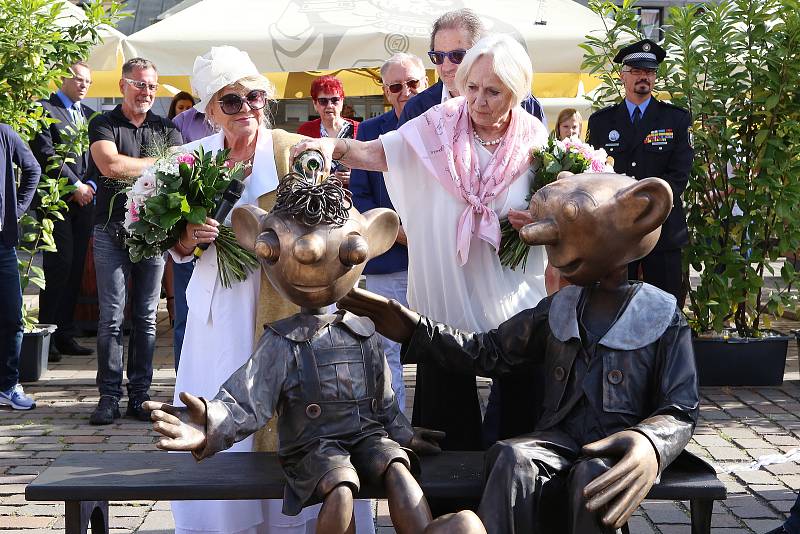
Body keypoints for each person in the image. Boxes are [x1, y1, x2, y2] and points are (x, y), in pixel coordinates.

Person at [341, 172, 699, 534]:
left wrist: (650, 444)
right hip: (557, 441)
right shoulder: (559, 308)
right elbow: (487, 351)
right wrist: (414, 327)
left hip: (613, 449)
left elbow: (680, 407)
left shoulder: (661, 315)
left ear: (642, 212)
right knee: (513, 457)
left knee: (592, 478)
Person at [147, 181, 486, 534]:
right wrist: (209, 424)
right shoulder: (281, 341)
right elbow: (248, 397)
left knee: (398, 467)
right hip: (313, 444)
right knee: (340, 487)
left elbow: (382, 402)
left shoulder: (363, 331)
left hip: (367, 435)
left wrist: (403, 434)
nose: (311, 257)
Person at [292, 34, 549, 453]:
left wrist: (536, 218)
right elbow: (379, 154)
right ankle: (448, 505)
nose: (478, 100)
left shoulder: (534, 137)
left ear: (516, 93)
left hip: (513, 293)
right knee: (446, 412)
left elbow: (551, 204)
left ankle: (519, 493)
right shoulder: (439, 123)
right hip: (445, 287)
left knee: (521, 416)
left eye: (492, 91)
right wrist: (332, 146)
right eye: (472, 87)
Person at [166, 46, 373, 534]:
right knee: (218, 394)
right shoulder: (189, 159)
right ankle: (224, 523)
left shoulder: (291, 151)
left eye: (255, 96)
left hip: (284, 299)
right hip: (219, 306)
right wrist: (184, 239)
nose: (248, 109)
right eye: (232, 101)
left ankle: (293, 521)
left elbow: (328, 224)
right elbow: (169, 242)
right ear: (208, 111)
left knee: (290, 402)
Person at [86, 57, 182, 425]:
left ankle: (139, 395)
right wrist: (157, 163)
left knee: (145, 318)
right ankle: (109, 395)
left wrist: (147, 164)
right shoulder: (103, 122)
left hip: (153, 233)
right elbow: (110, 166)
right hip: (110, 230)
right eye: (140, 84)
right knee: (111, 317)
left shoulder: (167, 127)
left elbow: (179, 168)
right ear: (123, 85)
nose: (147, 92)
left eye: (152, 86)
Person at [349, 52, 428, 412]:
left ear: (425, 81)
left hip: (439, 259)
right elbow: (360, 197)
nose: (405, 92)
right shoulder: (368, 132)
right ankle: (394, 427)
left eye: (412, 83)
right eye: (396, 86)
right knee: (386, 351)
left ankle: (438, 419)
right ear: (385, 90)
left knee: (440, 346)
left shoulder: (445, 126)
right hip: (390, 259)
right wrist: (396, 232)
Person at [587, 39, 693, 303]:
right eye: (636, 71)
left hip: (663, 226)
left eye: (649, 71)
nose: (643, 77)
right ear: (623, 76)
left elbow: (679, 175)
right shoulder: (601, 122)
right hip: (616, 229)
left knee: (667, 306)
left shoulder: (675, 120)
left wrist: (646, 205)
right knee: (612, 305)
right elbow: (591, 175)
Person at [29, 61, 95, 360]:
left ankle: (66, 333)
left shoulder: (90, 116)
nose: (84, 85)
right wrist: (77, 185)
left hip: (85, 202)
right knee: (60, 266)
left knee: (76, 267)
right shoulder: (44, 110)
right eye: (79, 79)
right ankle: (49, 335)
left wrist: (91, 183)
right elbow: (46, 155)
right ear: (63, 80)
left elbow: (96, 155)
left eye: (88, 82)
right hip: (57, 201)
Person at [398, 9, 546, 128]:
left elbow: (543, 160)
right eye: (438, 56)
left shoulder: (523, 103)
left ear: (480, 52)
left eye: (457, 55)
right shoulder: (417, 109)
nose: (446, 66)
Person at [167, 87, 216, 371]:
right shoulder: (183, 122)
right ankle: (183, 383)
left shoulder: (243, 116)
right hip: (191, 233)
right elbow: (170, 172)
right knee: (187, 313)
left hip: (231, 236)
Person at [0, 124, 41, 411]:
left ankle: (7, 385)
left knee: (12, 317)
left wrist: (15, 212)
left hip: (2, 244)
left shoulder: (4, 133)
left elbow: (32, 169)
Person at [296, 76, 359, 187]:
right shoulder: (305, 131)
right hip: (319, 199)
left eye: (335, 100)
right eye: (323, 101)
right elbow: (299, 170)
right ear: (315, 104)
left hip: (355, 200)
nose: (330, 105)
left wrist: (356, 177)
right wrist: (328, 178)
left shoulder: (360, 129)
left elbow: (371, 169)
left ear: (342, 101)